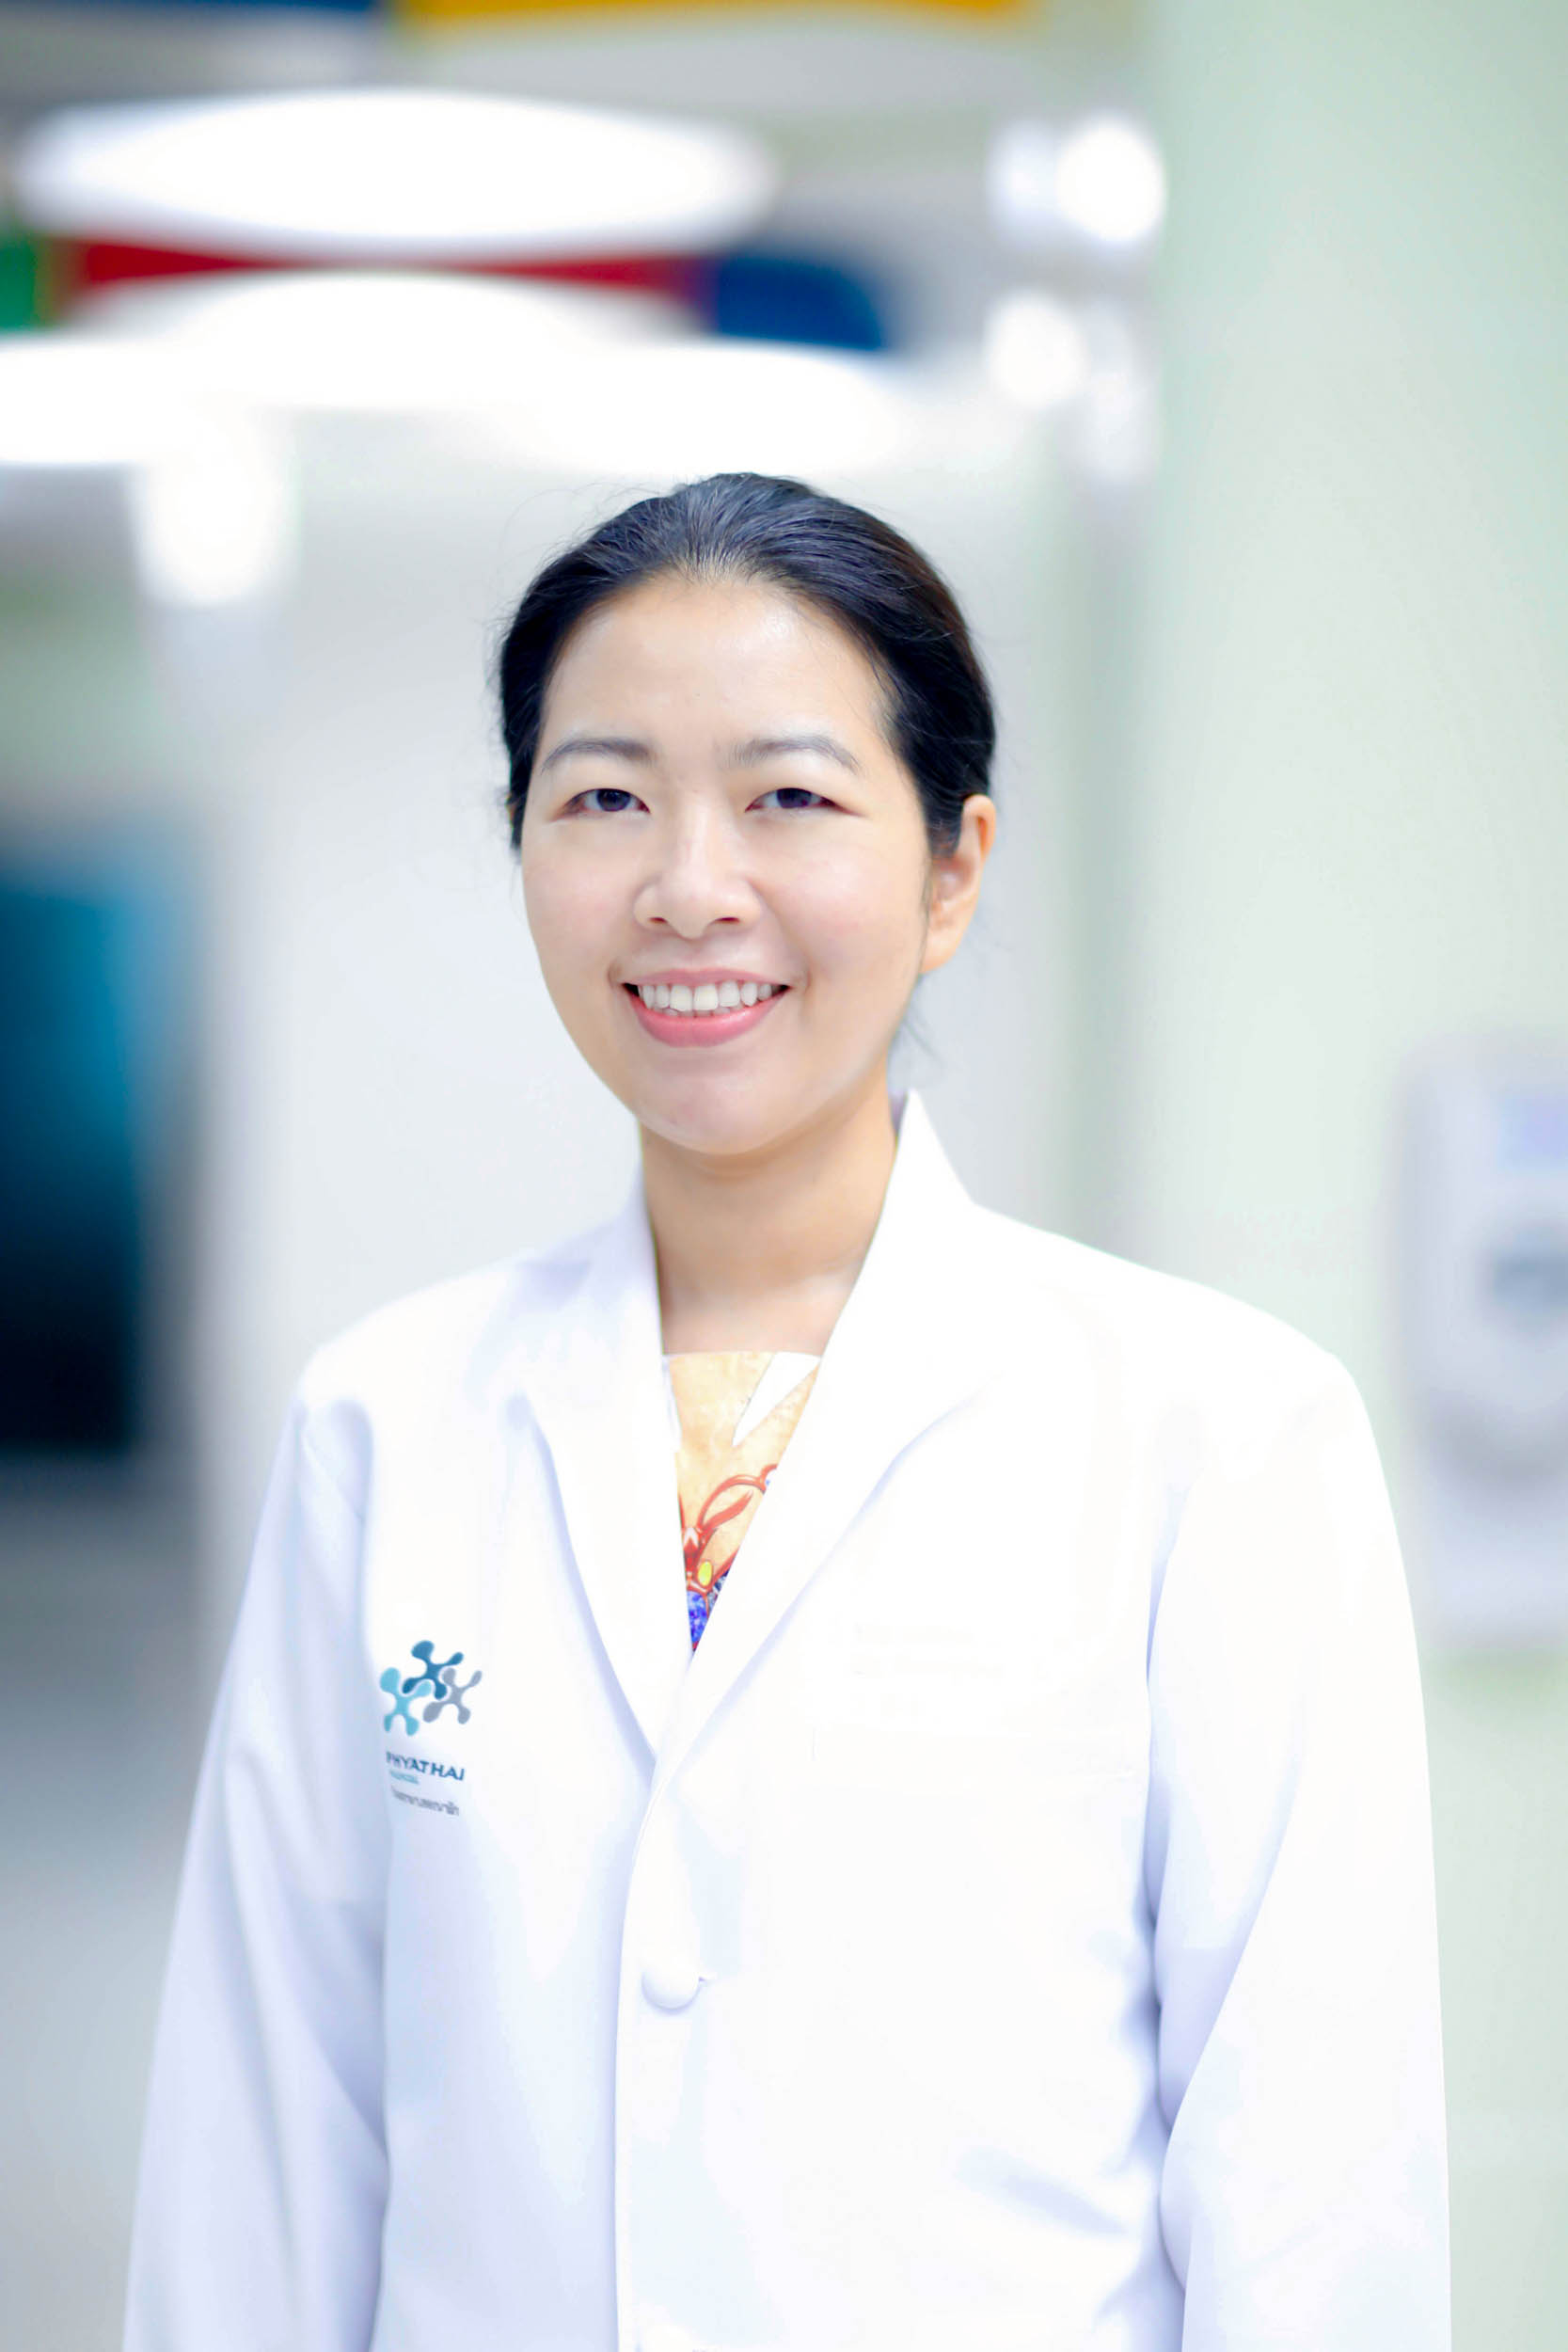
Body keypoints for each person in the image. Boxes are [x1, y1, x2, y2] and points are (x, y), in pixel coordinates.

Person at [124, 472, 1449, 2352]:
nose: (689, 884)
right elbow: (260, 2157)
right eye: (603, 797)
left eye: (790, 798)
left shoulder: (1222, 1438)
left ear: (953, 868)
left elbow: (1314, 2205)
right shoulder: (385, 1428)